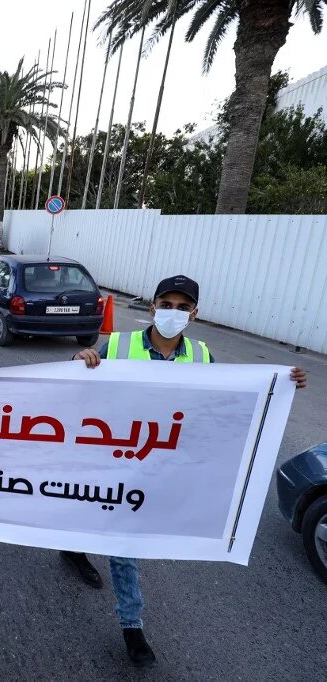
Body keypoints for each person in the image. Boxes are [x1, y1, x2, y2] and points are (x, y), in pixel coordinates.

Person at [64, 274, 308, 668]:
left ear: (194, 312)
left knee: (119, 534)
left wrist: (280, 385)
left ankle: (78, 548)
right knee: (120, 540)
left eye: (182, 307)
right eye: (166, 304)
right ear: (152, 306)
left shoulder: (200, 353)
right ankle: (132, 626)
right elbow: (76, 389)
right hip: (113, 460)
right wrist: (78, 361)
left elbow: (226, 400)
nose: (172, 313)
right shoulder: (121, 345)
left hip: (162, 465)